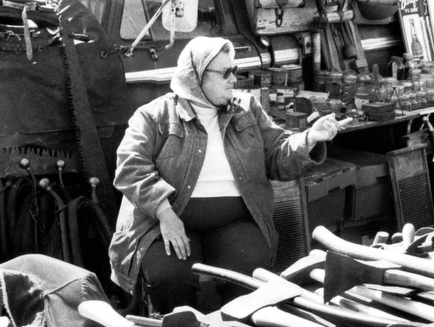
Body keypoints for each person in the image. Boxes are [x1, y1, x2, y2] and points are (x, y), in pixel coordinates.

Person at [109, 37, 351, 313]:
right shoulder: (153, 116)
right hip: (168, 220)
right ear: (196, 76)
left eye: (234, 70)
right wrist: (165, 214)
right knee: (168, 278)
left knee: (250, 271)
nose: (234, 79)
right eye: (225, 72)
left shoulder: (247, 109)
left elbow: (277, 157)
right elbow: (130, 167)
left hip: (234, 222)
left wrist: (309, 138)